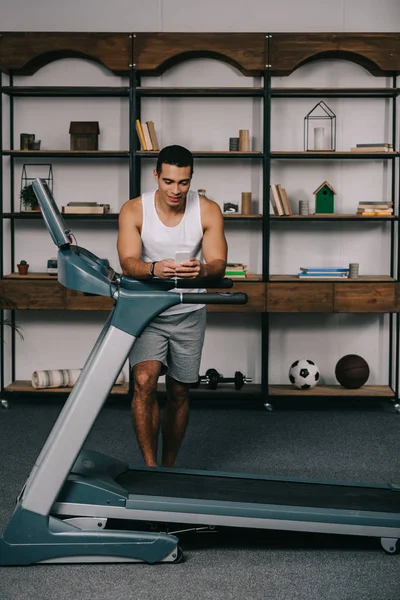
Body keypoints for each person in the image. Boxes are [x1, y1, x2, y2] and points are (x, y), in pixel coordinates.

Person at [117, 145, 227, 467]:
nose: (175, 190)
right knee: (144, 382)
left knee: (179, 392)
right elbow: (127, 262)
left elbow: (219, 262)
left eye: (183, 182)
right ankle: (151, 469)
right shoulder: (134, 210)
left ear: (191, 178)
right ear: (156, 176)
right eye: (168, 182)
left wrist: (202, 270)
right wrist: (153, 269)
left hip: (189, 311)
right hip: (148, 310)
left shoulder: (207, 210)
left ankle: (168, 467)